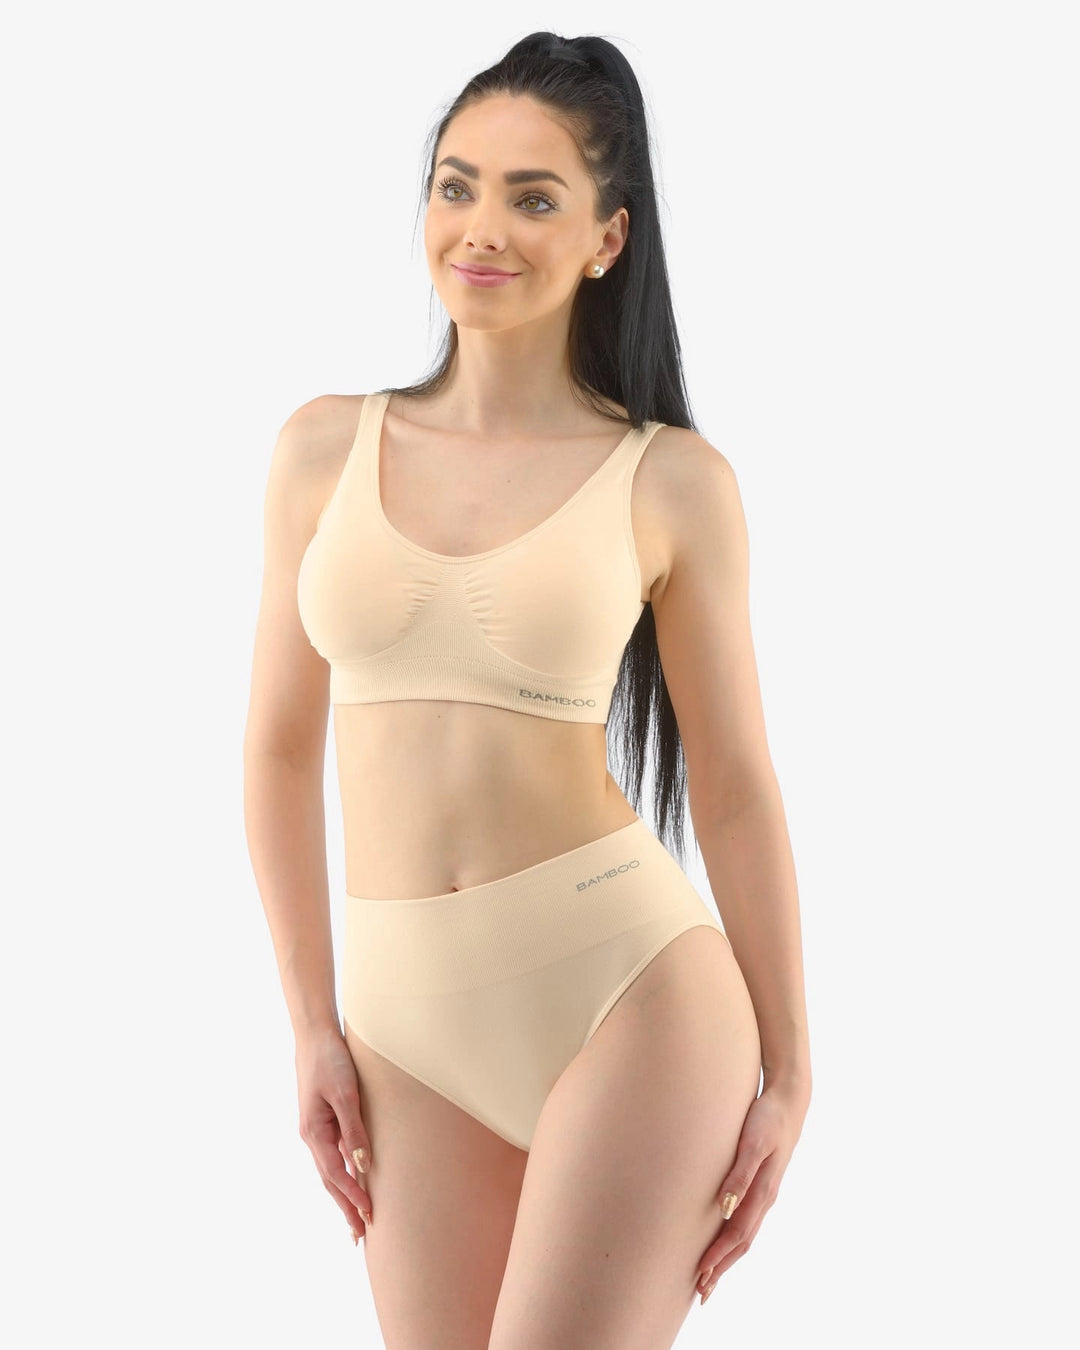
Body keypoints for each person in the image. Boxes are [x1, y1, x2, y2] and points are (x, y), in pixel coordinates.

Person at [243, 30, 811, 1349]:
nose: (481, 227)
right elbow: (274, 751)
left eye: (533, 196)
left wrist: (791, 1069)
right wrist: (312, 1021)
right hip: (402, 1022)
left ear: (607, 238)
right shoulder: (322, 448)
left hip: (628, 993)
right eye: (457, 185)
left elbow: (732, 784)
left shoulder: (671, 479)